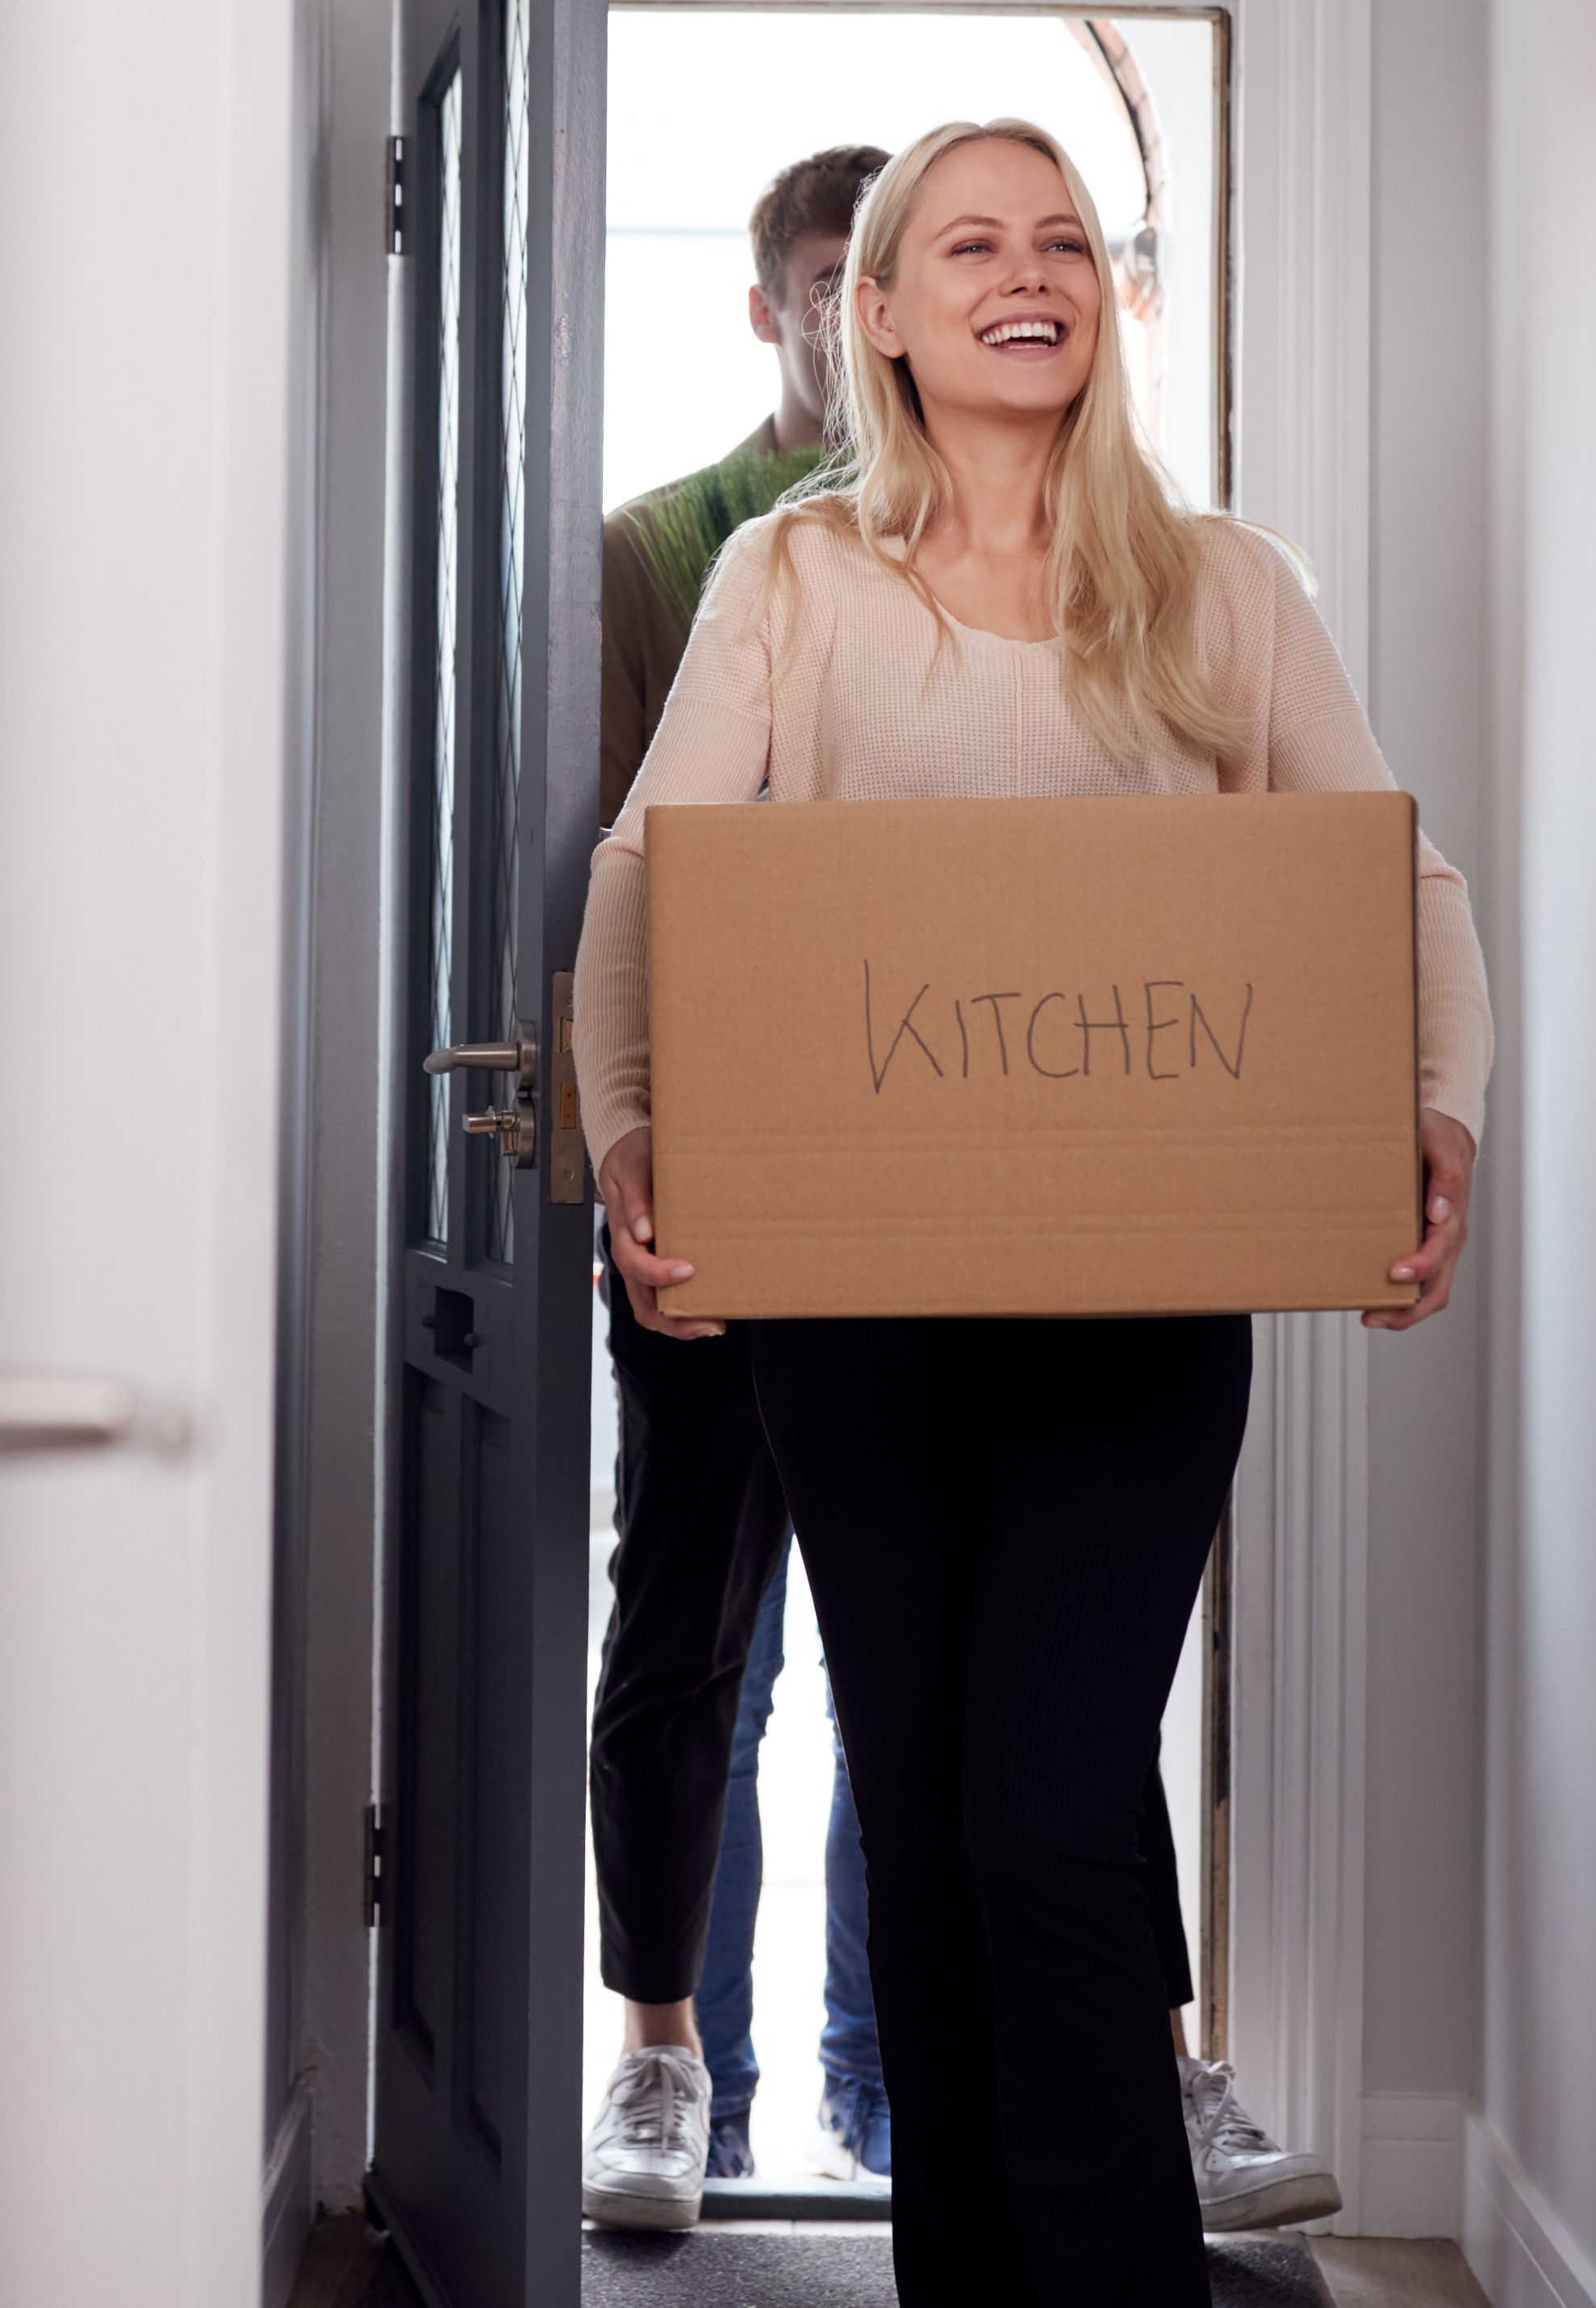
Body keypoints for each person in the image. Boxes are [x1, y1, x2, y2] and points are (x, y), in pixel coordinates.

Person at [573, 119, 1490, 2303]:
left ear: (1107, 297)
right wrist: (623, 1133)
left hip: (1133, 1310)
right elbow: (648, 876)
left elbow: (1391, 870)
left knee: (1050, 1801)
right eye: (969, 241)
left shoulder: (1221, 583)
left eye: (1064, 238)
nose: (1028, 271)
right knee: (921, 1804)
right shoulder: (787, 587)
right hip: (851, 1320)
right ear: (869, 309)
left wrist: (1434, 1101)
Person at [579, 144, 894, 2234]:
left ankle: (890, 2084)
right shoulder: (650, 553)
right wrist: (635, 1143)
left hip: (923, 1174)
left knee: (919, 1649)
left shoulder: (1006, 560)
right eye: (815, 280)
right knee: (695, 1634)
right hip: (709, 1173)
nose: (841, 318)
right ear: (771, 304)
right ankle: (672, 2061)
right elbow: (615, 867)